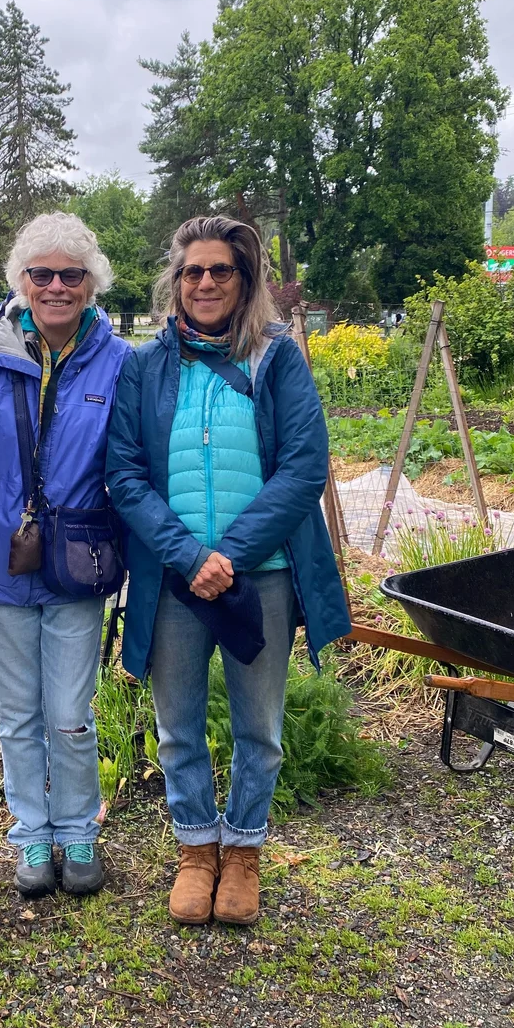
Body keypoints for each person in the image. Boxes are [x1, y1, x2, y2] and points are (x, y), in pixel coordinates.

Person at [106, 215, 350, 927]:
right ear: (176, 283)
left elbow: (304, 467)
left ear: (245, 281)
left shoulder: (277, 359)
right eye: (192, 271)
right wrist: (189, 556)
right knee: (177, 726)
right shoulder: (145, 366)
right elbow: (124, 473)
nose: (205, 282)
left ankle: (243, 849)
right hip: (175, 579)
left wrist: (231, 556)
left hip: (261, 575)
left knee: (259, 726)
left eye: (220, 270)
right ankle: (195, 848)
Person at [0, 212, 131, 898]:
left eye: (72, 273)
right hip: (0, 562)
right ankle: (30, 833)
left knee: (70, 711)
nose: (57, 285)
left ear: (91, 282)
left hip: (77, 563)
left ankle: (77, 827)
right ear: (21, 281)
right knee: (18, 714)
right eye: (43, 273)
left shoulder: (119, 360)